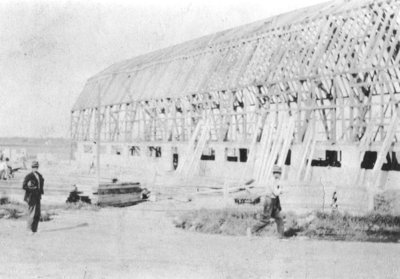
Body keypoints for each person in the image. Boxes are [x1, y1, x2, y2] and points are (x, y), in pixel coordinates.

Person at [251, 165, 285, 237]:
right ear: (274, 173)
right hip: (269, 201)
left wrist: (280, 190)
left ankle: (281, 236)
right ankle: (251, 230)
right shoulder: (271, 181)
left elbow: (277, 193)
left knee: (279, 218)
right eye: (278, 173)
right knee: (265, 220)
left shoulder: (277, 181)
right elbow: (276, 193)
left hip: (274, 201)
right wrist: (281, 189)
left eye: (279, 173)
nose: (279, 175)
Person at [22, 161, 44, 234]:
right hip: (31, 197)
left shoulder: (39, 175)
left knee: (37, 213)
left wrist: (40, 192)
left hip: (38, 196)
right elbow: (24, 186)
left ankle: (34, 229)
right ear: (31, 167)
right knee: (31, 213)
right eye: (34, 167)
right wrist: (32, 189)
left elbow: (41, 185)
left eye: (36, 167)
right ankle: (29, 230)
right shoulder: (29, 175)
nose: (35, 168)